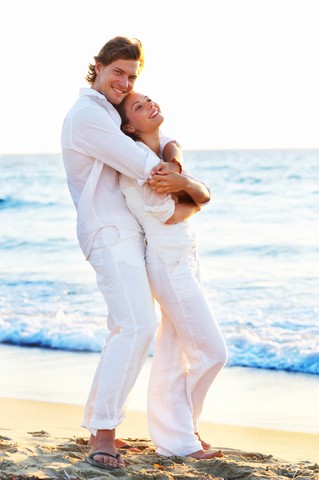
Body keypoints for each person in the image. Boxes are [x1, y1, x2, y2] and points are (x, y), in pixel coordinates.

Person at [60, 37, 196, 471]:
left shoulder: (108, 111)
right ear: (97, 68)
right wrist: (185, 183)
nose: (124, 82)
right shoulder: (87, 115)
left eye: (132, 76)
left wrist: (174, 160)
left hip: (127, 232)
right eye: (117, 72)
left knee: (124, 326)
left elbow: (161, 137)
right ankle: (103, 433)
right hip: (108, 231)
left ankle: (100, 425)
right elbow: (143, 163)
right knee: (137, 326)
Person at [116, 91, 228, 458]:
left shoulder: (164, 148)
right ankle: (181, 434)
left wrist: (187, 185)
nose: (150, 104)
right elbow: (176, 212)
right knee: (212, 352)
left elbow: (201, 195)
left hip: (185, 259)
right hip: (167, 264)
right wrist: (190, 190)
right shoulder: (139, 166)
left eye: (148, 99)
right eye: (139, 106)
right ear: (129, 126)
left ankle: (179, 438)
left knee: (172, 354)